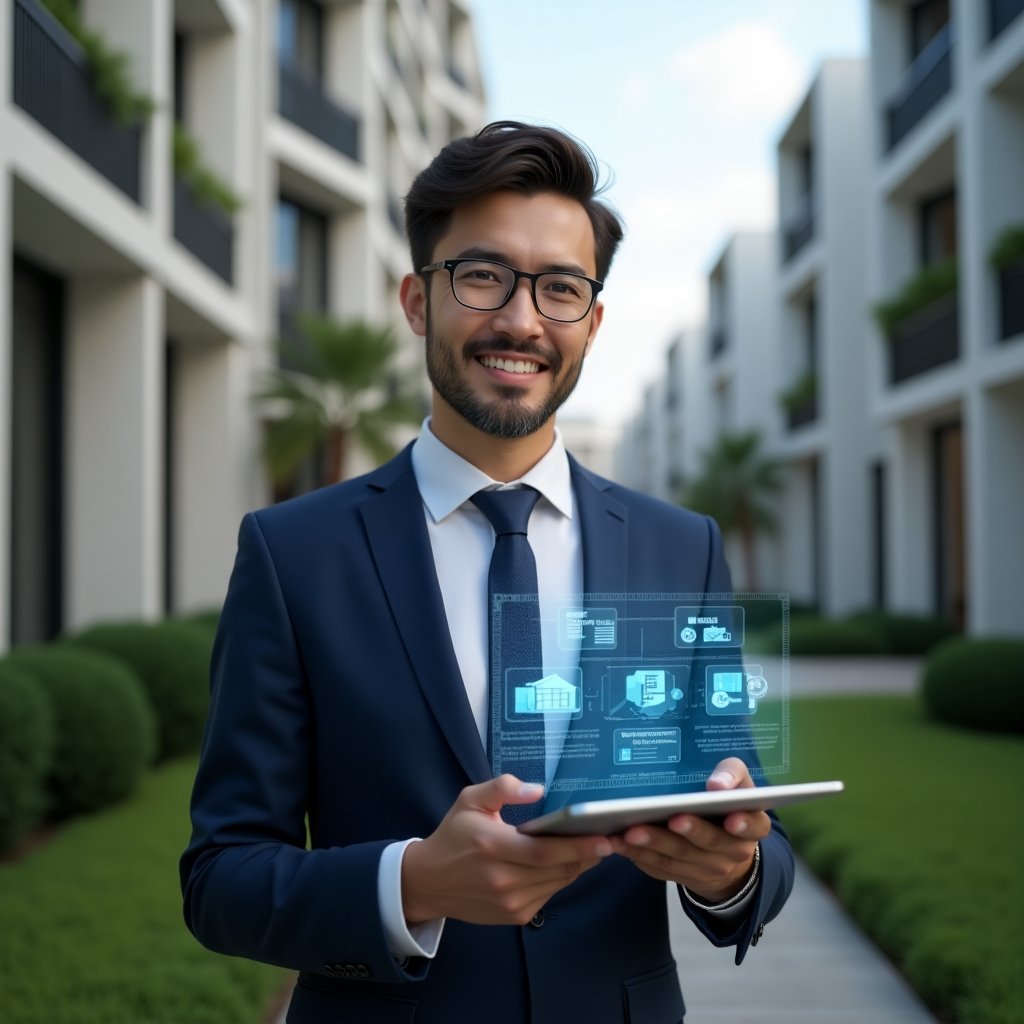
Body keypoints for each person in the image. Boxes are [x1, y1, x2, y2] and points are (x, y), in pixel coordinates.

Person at [180, 121, 794, 1024]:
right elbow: (221, 878)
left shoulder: (681, 546)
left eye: (560, 288)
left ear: (592, 320)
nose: (520, 319)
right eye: (482, 276)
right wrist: (413, 883)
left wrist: (733, 868)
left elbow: (757, 827)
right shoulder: (292, 553)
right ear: (418, 300)